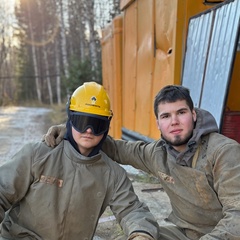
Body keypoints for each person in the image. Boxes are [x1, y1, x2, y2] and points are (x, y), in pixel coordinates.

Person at [44, 84, 240, 240]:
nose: (174, 121)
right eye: (165, 116)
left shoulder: (224, 152)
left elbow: (237, 216)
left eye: (181, 112)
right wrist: (73, 129)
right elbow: (117, 148)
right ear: (158, 123)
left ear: (193, 115)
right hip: (184, 234)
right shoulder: (158, 153)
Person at [0, 82, 159, 240]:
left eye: (97, 124)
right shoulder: (37, 155)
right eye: (82, 122)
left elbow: (131, 210)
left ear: (107, 125)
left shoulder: (112, 174)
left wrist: (142, 234)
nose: (89, 130)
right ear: (71, 118)